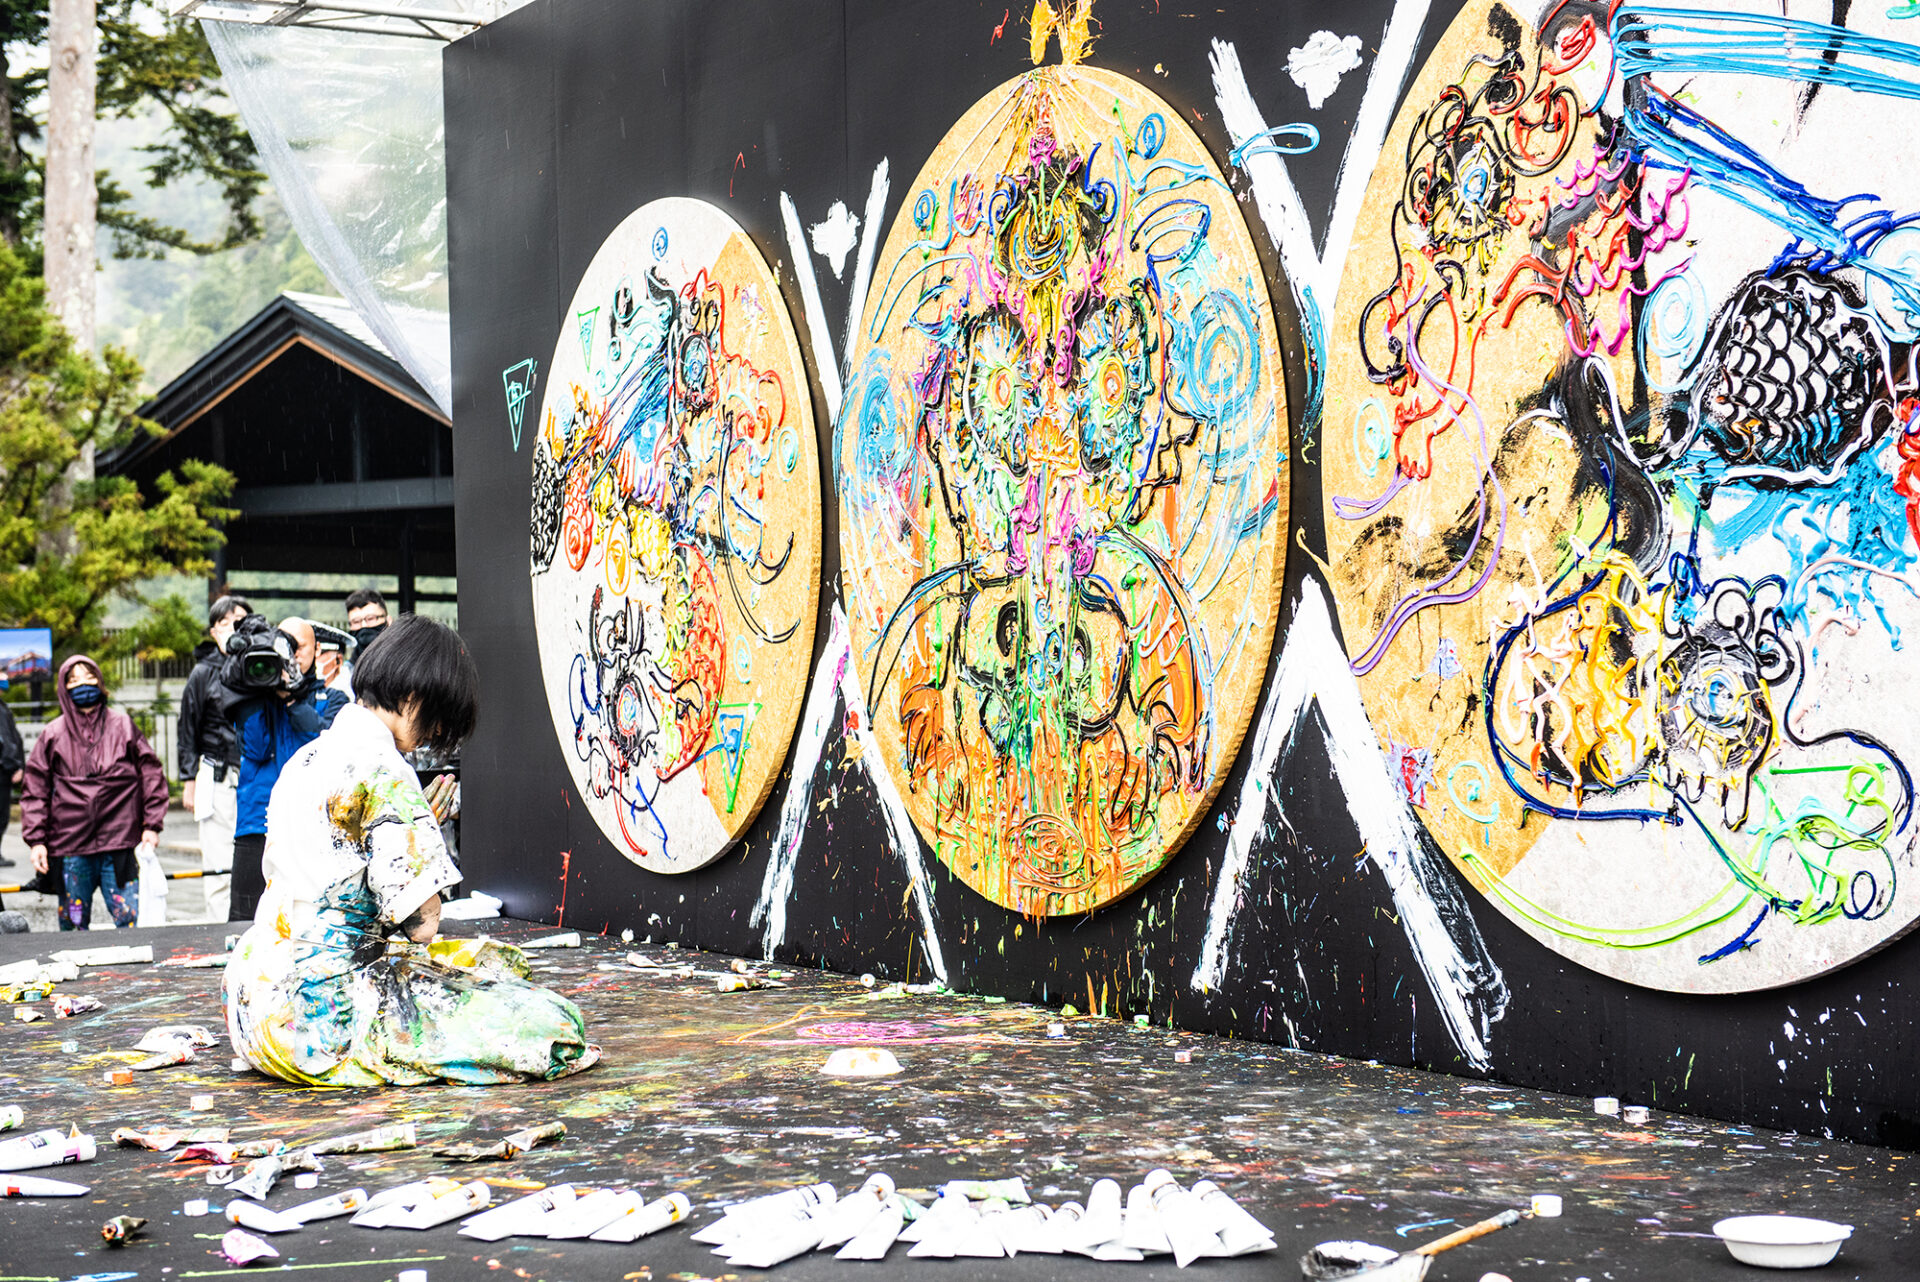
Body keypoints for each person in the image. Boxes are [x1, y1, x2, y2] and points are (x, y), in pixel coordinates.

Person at [224, 615, 598, 1086]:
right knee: (551, 1023)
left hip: (250, 999)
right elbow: (422, 924)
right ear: (414, 697)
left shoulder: (307, 757)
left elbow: (334, 860)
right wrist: (422, 840)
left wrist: (412, 830)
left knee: (492, 964)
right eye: (440, 718)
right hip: (317, 1022)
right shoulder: (387, 770)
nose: (435, 735)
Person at [21, 657, 167, 930]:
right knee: (73, 929)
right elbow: (35, 789)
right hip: (71, 847)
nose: (83, 684)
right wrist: (36, 840)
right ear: (63, 688)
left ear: (100, 681)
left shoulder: (123, 725)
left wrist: (152, 824)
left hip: (121, 842)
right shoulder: (52, 733)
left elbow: (151, 773)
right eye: (73, 679)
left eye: (88, 676)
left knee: (131, 923)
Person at [228, 618, 348, 921]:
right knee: (245, 921)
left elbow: (324, 746)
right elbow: (255, 749)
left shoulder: (334, 699)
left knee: (308, 921)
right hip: (258, 822)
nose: (290, 655)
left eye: (298, 647)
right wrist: (250, 693)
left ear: (317, 648)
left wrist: (294, 700)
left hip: (313, 825)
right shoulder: (256, 697)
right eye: (282, 646)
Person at [178, 594, 252, 921]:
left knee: (258, 861)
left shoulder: (259, 667)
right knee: (219, 863)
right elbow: (187, 727)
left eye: (240, 621)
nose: (233, 629)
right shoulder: (202, 673)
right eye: (225, 623)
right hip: (216, 773)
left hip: (256, 776)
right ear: (213, 632)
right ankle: (217, 932)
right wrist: (188, 780)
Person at [0, 689, 23, 868]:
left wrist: (19, 765)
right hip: (2, 770)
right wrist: (12, 765)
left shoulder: (3, 708)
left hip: (5, 771)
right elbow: (6, 742)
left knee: (3, 817)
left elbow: (13, 739)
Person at [345, 589, 390, 656]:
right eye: (356, 621)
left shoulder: (404, 661)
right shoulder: (347, 666)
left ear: (388, 620)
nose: (364, 625)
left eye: (370, 618)